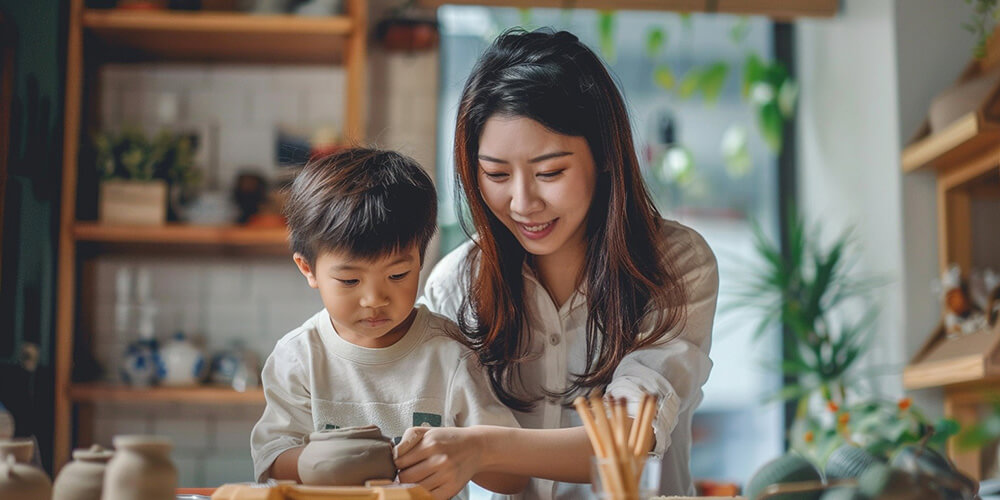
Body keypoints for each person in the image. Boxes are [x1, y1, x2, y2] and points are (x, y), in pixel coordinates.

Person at [393, 28, 719, 499]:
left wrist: (484, 447)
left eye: (550, 172)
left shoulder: (675, 265)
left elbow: (629, 436)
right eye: (496, 174)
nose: (523, 202)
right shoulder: (456, 285)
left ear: (605, 154)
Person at [249, 148, 528, 498]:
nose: (374, 299)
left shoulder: (448, 355)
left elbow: (515, 478)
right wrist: (325, 461)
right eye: (350, 281)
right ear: (309, 269)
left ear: (421, 260)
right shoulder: (299, 358)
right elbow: (269, 461)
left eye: (398, 275)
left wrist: (464, 455)